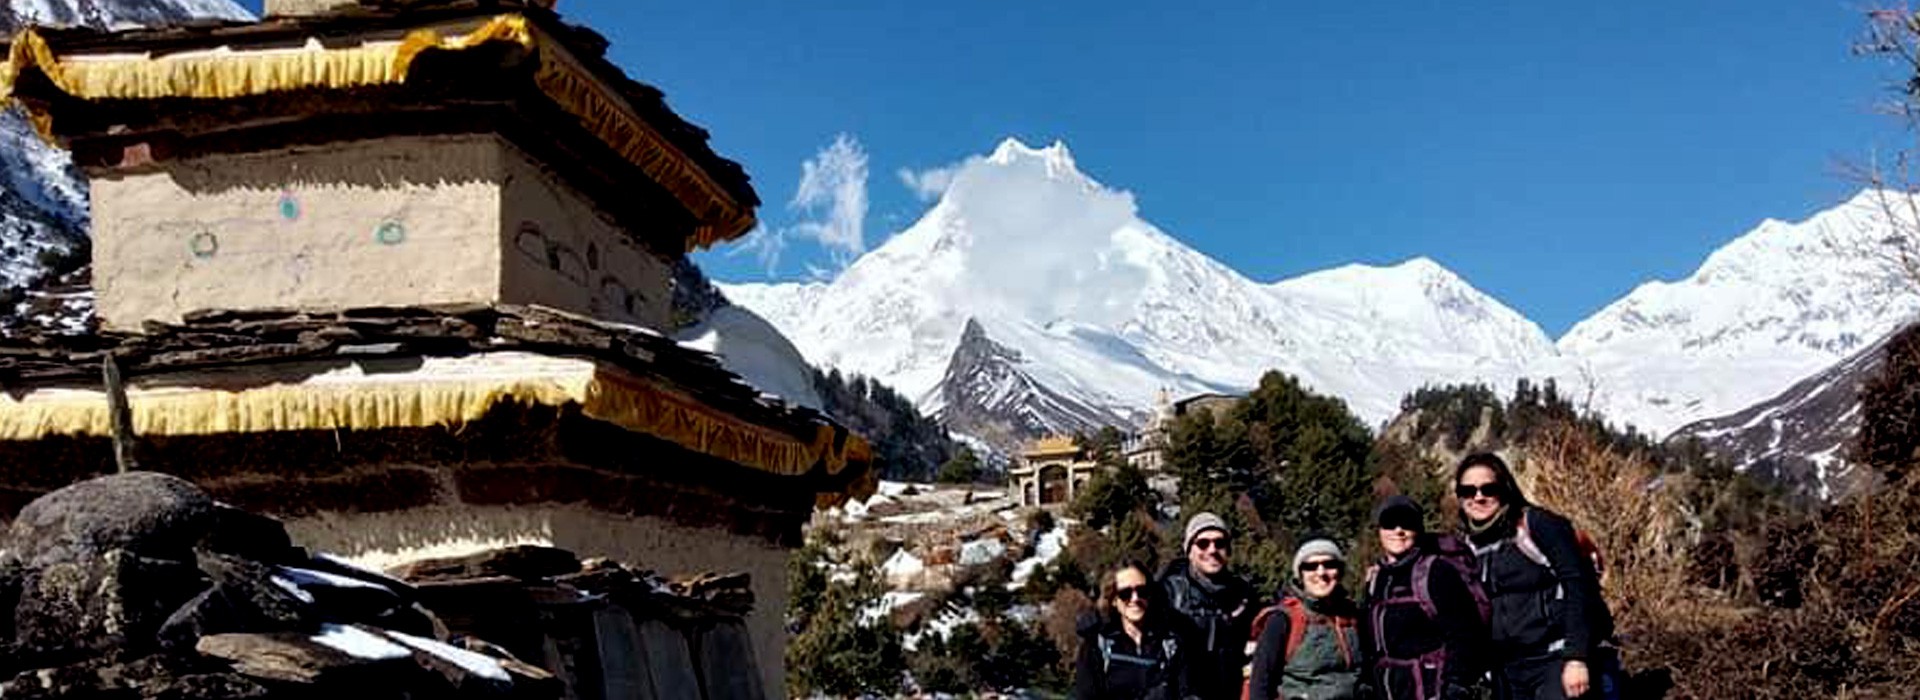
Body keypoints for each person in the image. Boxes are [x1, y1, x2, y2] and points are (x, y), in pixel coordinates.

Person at [1455, 453, 1620, 700]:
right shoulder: (1467, 545)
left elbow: (1578, 586)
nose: (1479, 497)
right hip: (1507, 669)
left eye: (1489, 488)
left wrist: (1576, 658)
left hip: (1555, 660)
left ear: (1505, 488)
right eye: (1468, 491)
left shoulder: (1536, 524)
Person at [1363, 494, 1488, 700]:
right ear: (1379, 529)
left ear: (1419, 530)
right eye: (1389, 523)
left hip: (1431, 689)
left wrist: (1455, 683)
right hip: (1387, 689)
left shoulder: (1436, 571)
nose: (1398, 531)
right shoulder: (1376, 578)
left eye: (1407, 524)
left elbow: (1464, 632)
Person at [1245, 537, 1364, 700]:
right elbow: (1260, 684)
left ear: (1340, 571)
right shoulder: (1283, 620)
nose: (1321, 573)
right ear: (1300, 575)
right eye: (1311, 566)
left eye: (1329, 564)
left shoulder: (1352, 616)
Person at [1159, 513, 1256, 700]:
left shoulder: (1244, 594)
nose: (1212, 550)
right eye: (1203, 543)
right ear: (1189, 550)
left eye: (1219, 543)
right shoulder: (1168, 592)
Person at [1077, 561, 1197, 700]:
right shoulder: (1097, 647)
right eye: (1125, 593)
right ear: (1113, 599)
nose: (1135, 599)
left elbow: (1188, 693)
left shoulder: (1171, 645)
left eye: (1142, 591)